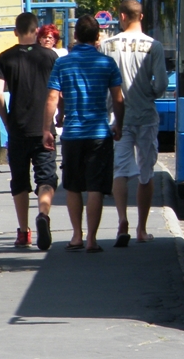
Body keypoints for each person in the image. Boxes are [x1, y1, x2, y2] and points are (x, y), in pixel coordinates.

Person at [47, 14, 124, 253]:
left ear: (76, 36)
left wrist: (47, 127)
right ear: (97, 37)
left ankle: (76, 236)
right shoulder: (107, 63)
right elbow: (118, 99)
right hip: (99, 132)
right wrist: (118, 124)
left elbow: (53, 96)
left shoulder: (63, 63)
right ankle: (92, 238)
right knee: (96, 187)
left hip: (72, 133)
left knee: (72, 185)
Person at [101, 0, 168, 246]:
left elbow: (103, 83)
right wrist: (148, 92)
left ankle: (121, 221)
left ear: (122, 16)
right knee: (145, 173)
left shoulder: (107, 45)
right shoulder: (155, 47)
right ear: (141, 17)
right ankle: (142, 228)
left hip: (118, 118)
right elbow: (161, 84)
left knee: (120, 170)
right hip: (146, 116)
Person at [0, 13, 61, 250]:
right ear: (36, 30)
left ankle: (23, 231)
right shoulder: (50, 57)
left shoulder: (4, 58)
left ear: (15, 31)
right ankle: (43, 214)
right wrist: (58, 116)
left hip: (18, 128)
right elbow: (57, 93)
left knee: (19, 180)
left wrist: (7, 120)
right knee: (46, 177)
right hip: (44, 128)